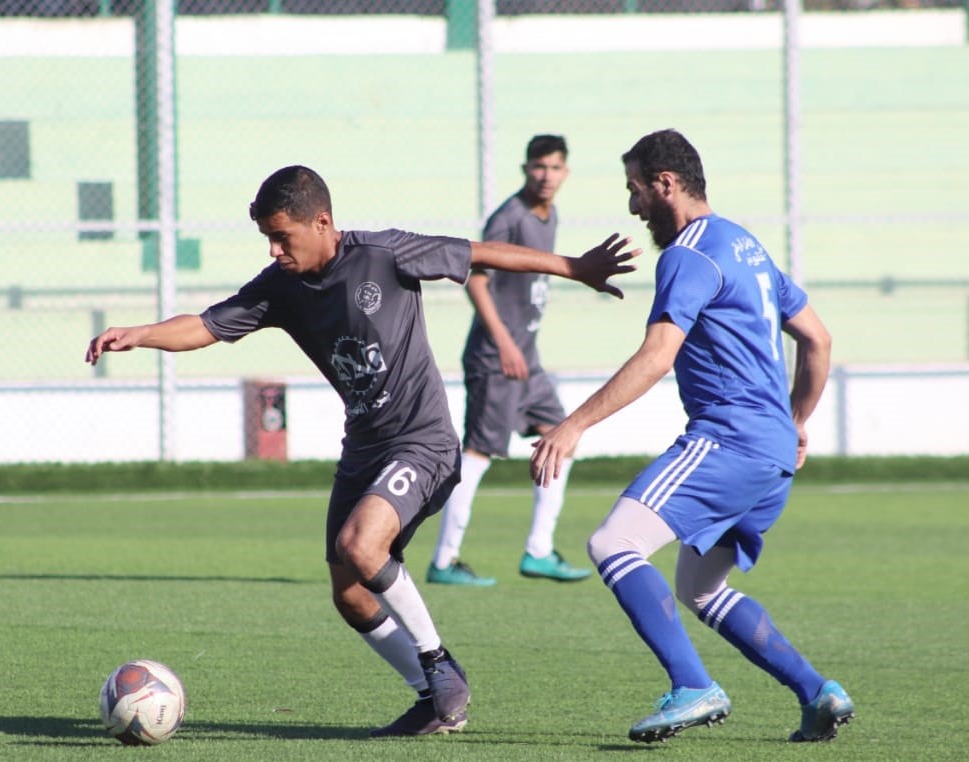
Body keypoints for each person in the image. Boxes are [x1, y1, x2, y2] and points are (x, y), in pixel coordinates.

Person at [85, 165, 637, 738]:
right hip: (364, 451)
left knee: (361, 544)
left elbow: (481, 254)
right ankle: (434, 700)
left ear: (322, 222)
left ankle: (441, 666)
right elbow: (205, 326)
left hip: (422, 441)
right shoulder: (280, 287)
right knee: (349, 593)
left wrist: (575, 267)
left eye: (282, 237)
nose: (274, 250)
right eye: (267, 239)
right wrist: (140, 334)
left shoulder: (383, 254)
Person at [529, 129, 854, 744]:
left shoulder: (688, 254)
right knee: (700, 588)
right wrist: (795, 423)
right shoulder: (745, 246)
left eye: (635, 190)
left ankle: (692, 684)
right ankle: (818, 693)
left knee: (613, 543)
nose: (633, 207)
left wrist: (572, 426)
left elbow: (657, 356)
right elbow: (818, 338)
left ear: (665, 184)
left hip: (728, 439)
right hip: (771, 455)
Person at [426, 134, 591, 587]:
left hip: (527, 360)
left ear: (565, 172)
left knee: (562, 438)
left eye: (554, 167)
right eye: (539, 167)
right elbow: (476, 279)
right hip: (497, 358)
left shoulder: (550, 214)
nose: (546, 176)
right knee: (479, 453)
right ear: (525, 169)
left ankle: (539, 550)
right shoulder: (509, 217)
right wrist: (504, 343)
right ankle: (444, 560)